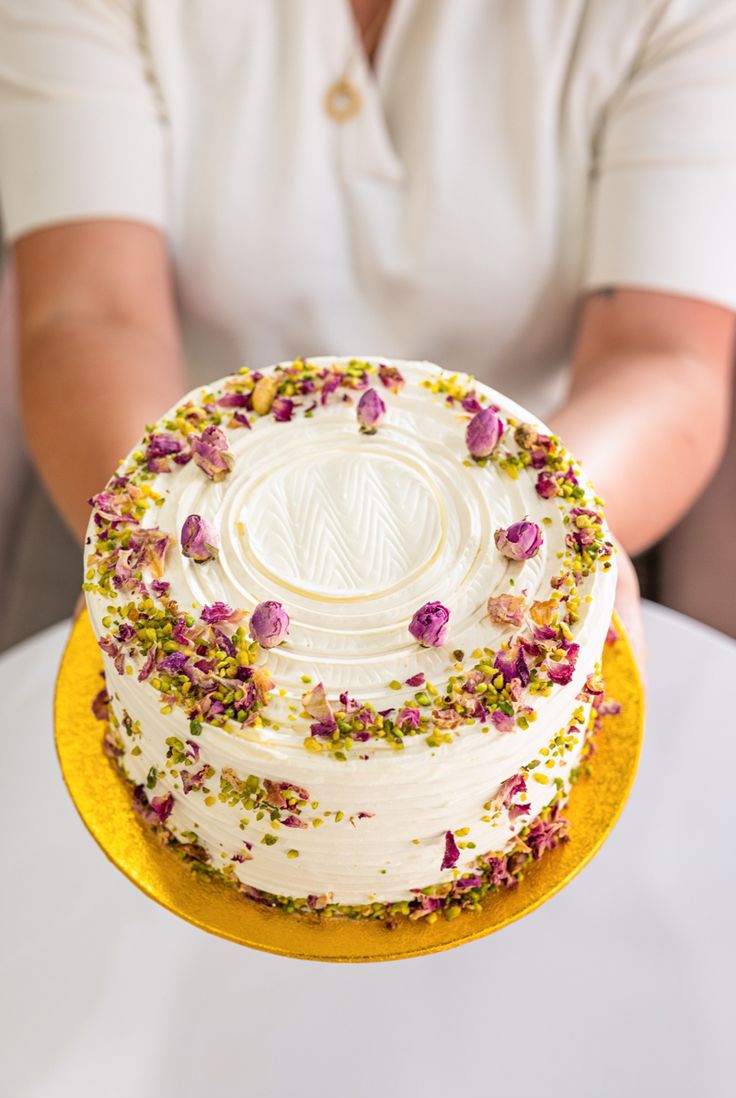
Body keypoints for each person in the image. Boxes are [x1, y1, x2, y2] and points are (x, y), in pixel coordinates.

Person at [2, 0, 736, 666]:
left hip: (538, 493)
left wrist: (540, 538)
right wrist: (161, 540)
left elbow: (661, 352)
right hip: (160, 483)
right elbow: (87, 313)